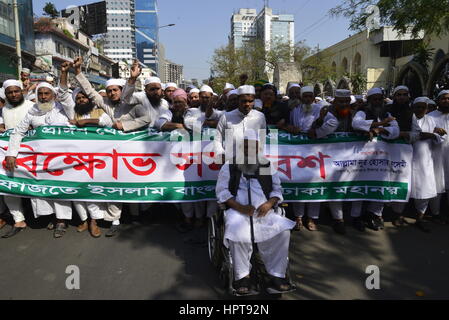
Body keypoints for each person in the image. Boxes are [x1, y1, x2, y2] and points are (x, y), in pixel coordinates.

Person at [74, 56, 147, 236]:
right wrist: (77, 72)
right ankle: (114, 220)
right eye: (109, 90)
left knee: (126, 186)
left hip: (131, 153)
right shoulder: (106, 104)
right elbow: (90, 92)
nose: (113, 93)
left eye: (115, 90)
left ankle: (129, 217)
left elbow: (147, 119)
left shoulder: (133, 102)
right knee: (111, 184)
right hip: (110, 154)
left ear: (122, 90)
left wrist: (125, 126)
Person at [215, 130, 295, 295]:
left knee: (283, 232)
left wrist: (269, 203)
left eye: (251, 146)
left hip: (263, 211)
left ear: (258, 147)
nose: (248, 150)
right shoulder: (230, 166)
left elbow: (276, 189)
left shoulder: (265, 165)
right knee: (237, 234)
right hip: (238, 211)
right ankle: (242, 276)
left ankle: (277, 275)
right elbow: (222, 192)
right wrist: (240, 207)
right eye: (244, 146)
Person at [4, 82, 73, 238]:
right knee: (43, 189)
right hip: (40, 159)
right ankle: (51, 216)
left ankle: (61, 220)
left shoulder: (64, 110)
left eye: (46, 93)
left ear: (53, 95)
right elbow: (17, 133)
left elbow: (67, 99)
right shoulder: (32, 112)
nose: (43, 97)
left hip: (62, 158)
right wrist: (11, 153)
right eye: (40, 94)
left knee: (59, 187)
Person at [59, 61, 112, 238]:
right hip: (75, 157)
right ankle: (83, 218)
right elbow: (63, 93)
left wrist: (85, 122)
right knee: (77, 189)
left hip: (98, 157)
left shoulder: (98, 111)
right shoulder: (72, 112)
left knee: (91, 188)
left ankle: (94, 220)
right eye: (79, 98)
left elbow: (107, 122)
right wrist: (65, 72)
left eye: (84, 98)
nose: (82, 100)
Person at [351, 87, 401, 232]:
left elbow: (396, 130)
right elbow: (356, 124)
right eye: (375, 99)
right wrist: (380, 124)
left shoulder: (387, 113)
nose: (378, 101)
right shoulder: (363, 112)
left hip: (382, 157)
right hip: (363, 155)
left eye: (380, 98)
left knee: (380, 184)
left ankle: (374, 214)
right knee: (360, 185)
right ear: (370, 100)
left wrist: (381, 130)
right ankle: (356, 217)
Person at [309, 89, 354, 234]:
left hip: (343, 157)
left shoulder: (351, 113)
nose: (344, 104)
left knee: (337, 186)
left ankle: (338, 219)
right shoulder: (327, 114)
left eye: (347, 101)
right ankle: (313, 217)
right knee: (317, 184)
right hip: (323, 156)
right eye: (341, 101)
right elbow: (315, 133)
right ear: (334, 102)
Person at [281, 86, 321, 231]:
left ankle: (312, 217)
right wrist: (291, 128)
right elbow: (290, 126)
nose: (308, 99)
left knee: (315, 182)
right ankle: (298, 216)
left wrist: (317, 131)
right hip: (298, 151)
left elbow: (327, 125)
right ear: (302, 97)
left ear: (313, 97)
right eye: (305, 96)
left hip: (316, 151)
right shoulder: (295, 110)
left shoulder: (320, 109)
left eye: (310, 96)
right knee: (300, 181)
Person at [0, 80, 34, 238]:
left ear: (22, 91)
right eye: (10, 92)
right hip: (9, 154)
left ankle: (48, 217)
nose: (13, 95)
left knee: (35, 186)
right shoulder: (4, 109)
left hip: (32, 153)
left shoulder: (31, 106)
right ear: (5, 94)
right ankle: (18, 220)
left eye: (16, 91)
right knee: (9, 186)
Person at [409, 97, 446, 232]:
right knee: (406, 186)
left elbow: (439, 138)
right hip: (407, 157)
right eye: (417, 106)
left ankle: (420, 217)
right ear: (413, 107)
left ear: (426, 109)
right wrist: (427, 135)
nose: (420, 109)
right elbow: (411, 135)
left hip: (425, 160)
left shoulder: (431, 120)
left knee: (424, 188)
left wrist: (431, 135)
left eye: (423, 107)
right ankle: (399, 215)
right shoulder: (408, 118)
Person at [214, 85, 267, 161]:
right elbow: (217, 139)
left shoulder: (260, 117)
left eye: (250, 101)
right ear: (238, 100)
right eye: (244, 101)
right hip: (230, 161)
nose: (247, 104)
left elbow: (262, 139)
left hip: (253, 162)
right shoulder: (226, 117)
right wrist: (220, 154)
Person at [428, 90, 449, 224]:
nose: (446, 101)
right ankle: (435, 213)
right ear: (438, 100)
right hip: (437, 155)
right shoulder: (430, 116)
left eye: (448, 98)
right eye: (443, 98)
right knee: (438, 183)